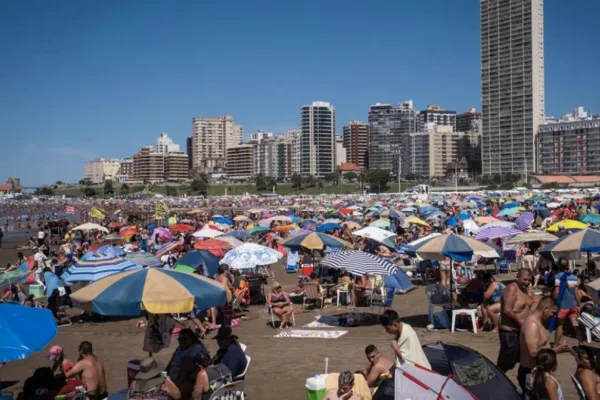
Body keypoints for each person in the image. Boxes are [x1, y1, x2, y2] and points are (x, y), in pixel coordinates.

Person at [520, 296, 570, 398]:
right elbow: (533, 353)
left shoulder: (539, 323)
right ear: (545, 309)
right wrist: (556, 350)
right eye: (553, 313)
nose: (553, 316)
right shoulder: (532, 324)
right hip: (530, 372)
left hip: (538, 372)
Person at [497, 268, 533, 373]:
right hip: (510, 332)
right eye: (524, 279)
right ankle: (496, 383)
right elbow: (507, 310)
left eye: (529, 280)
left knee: (523, 360)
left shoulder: (525, 290)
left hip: (520, 332)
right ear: (518, 277)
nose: (526, 282)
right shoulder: (512, 288)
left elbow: (527, 309)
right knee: (504, 364)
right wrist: (521, 324)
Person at [553, 259, 582, 344]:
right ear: (567, 266)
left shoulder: (558, 276)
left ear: (558, 266)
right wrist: (578, 304)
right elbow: (576, 293)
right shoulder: (574, 277)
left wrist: (554, 303)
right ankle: (580, 341)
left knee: (559, 325)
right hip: (572, 304)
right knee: (574, 321)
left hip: (563, 305)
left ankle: (555, 344)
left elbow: (557, 292)